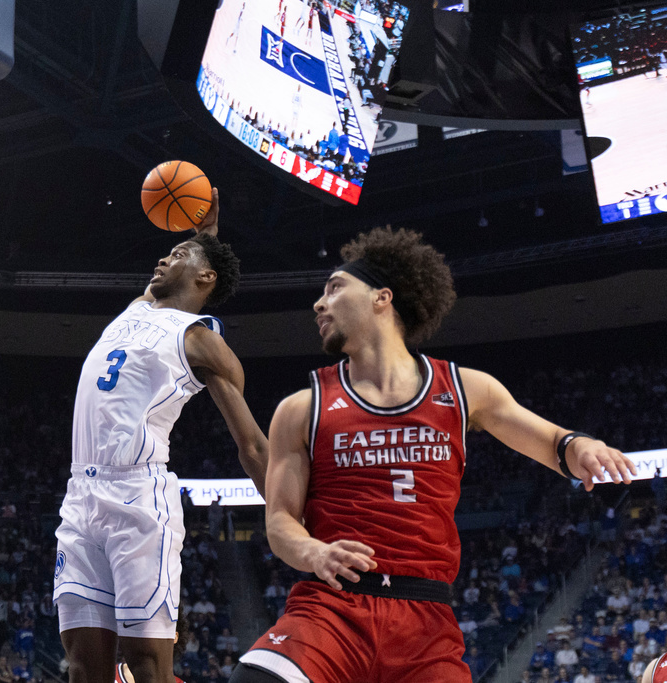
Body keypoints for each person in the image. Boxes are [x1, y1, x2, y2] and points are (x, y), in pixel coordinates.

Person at [228, 226, 636, 683]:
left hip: (425, 622)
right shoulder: (301, 407)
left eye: (335, 288)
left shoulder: (466, 389)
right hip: (331, 608)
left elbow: (551, 441)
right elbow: (280, 519)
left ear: (382, 298)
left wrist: (579, 446)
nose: (319, 304)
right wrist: (312, 551)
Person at [54, 188, 268, 683]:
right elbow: (192, 273)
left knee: (145, 662)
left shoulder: (199, 340)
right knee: (83, 665)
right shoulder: (138, 308)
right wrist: (205, 236)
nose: (162, 257)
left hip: (137, 497)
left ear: (204, 277)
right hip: (80, 494)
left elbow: (252, 443)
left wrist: (290, 514)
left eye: (177, 255)